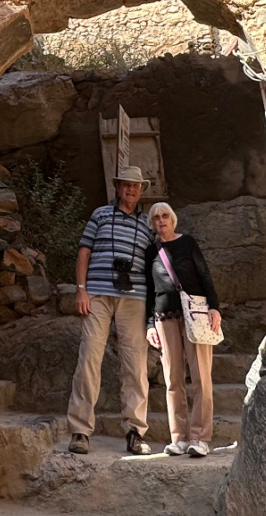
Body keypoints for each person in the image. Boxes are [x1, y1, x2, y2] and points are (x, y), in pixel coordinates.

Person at [66, 165, 157, 455]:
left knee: (135, 363)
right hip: (98, 295)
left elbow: (157, 262)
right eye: (126, 185)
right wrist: (81, 290)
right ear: (118, 188)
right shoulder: (100, 215)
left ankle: (135, 432)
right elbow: (84, 252)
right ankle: (80, 430)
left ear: (141, 190)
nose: (131, 190)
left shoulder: (148, 224)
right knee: (89, 358)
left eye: (136, 186)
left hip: (135, 298)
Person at [143, 200, 222, 457]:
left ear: (172, 218)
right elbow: (148, 291)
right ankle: (178, 437)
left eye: (165, 216)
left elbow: (204, 274)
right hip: (164, 317)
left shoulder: (187, 243)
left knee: (201, 376)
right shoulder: (150, 251)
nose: (161, 221)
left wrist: (214, 307)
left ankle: (200, 437)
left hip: (196, 314)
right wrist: (149, 324)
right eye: (156, 218)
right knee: (172, 380)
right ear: (152, 223)